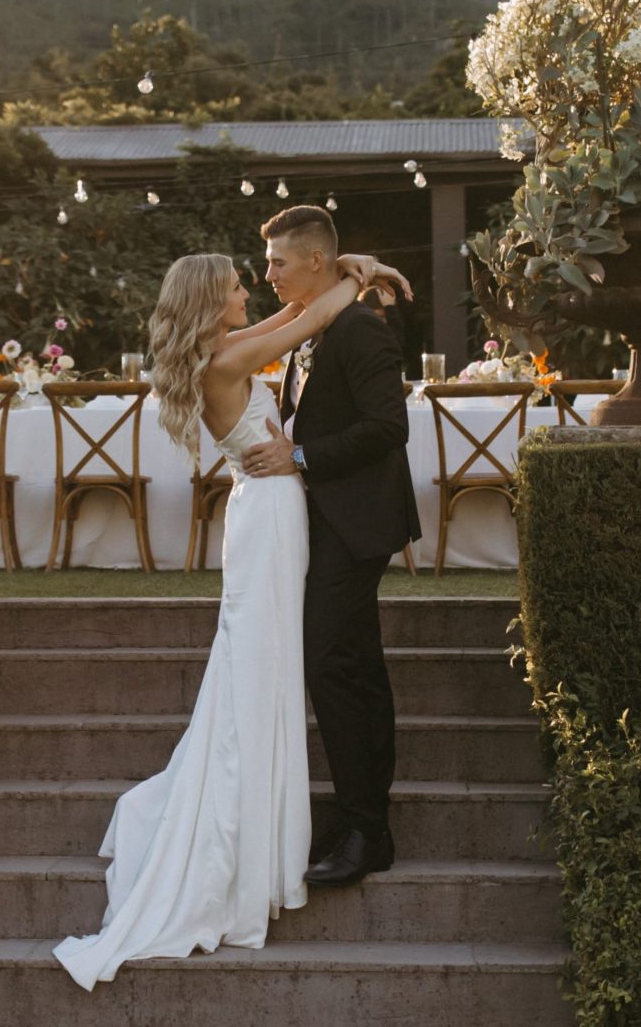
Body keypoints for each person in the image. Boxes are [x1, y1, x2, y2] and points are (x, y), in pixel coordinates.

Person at [54, 244, 411, 990]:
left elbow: (296, 314)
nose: (254, 287)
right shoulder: (223, 363)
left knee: (277, 658)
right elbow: (309, 314)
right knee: (267, 663)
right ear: (213, 299)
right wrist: (356, 274)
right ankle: (256, 829)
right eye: (239, 283)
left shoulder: (223, 347)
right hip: (272, 515)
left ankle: (307, 818)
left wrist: (351, 273)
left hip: (273, 510)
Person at [240, 206, 422, 887]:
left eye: (279, 262)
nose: (269, 274)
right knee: (351, 668)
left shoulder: (360, 331)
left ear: (317, 261)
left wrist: (302, 456)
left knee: (333, 668)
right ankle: (359, 820)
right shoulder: (308, 330)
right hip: (323, 523)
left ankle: (365, 829)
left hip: (358, 522)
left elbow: (388, 428)